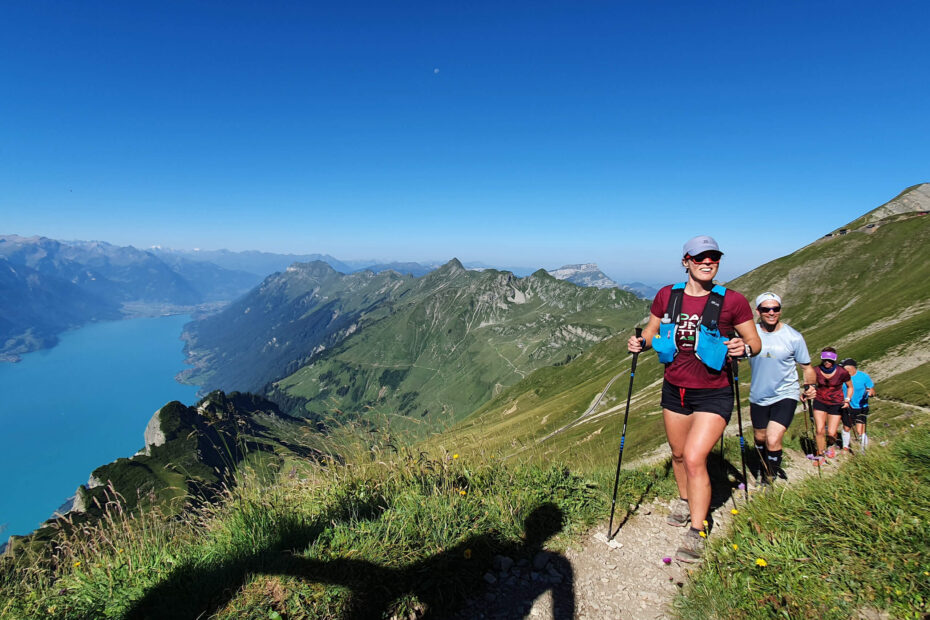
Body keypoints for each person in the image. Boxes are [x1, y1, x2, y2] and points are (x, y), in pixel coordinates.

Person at [628, 235, 759, 562]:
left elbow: (754, 341)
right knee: (677, 454)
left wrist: (744, 348)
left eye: (713, 256)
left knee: (695, 456)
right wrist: (640, 344)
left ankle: (698, 529)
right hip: (675, 388)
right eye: (700, 257)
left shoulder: (733, 301)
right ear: (685, 261)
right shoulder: (666, 296)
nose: (707, 262)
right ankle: (685, 500)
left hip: (714, 393)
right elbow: (651, 332)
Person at [747, 292, 816, 484]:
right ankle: (763, 466)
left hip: (786, 394)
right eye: (766, 309)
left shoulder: (793, 337)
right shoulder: (750, 334)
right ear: (758, 311)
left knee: (773, 438)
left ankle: (770, 476)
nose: (771, 312)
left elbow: (807, 366)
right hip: (758, 395)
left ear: (780, 310)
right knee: (759, 438)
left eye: (775, 309)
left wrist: (810, 386)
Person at [811, 347, 853, 465]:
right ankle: (820, 455)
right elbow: (810, 384)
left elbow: (850, 387)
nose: (827, 362)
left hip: (836, 403)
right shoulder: (816, 370)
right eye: (825, 359)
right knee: (819, 430)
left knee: (831, 432)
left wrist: (847, 400)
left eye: (830, 360)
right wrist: (807, 393)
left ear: (834, 360)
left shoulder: (842, 372)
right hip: (820, 401)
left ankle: (831, 445)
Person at [840, 358, 875, 452]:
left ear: (851, 367)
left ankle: (863, 451)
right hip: (847, 406)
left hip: (861, 407)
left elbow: (871, 389)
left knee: (860, 430)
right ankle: (845, 447)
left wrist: (870, 393)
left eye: (843, 367)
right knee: (847, 427)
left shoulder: (864, 377)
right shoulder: (842, 377)